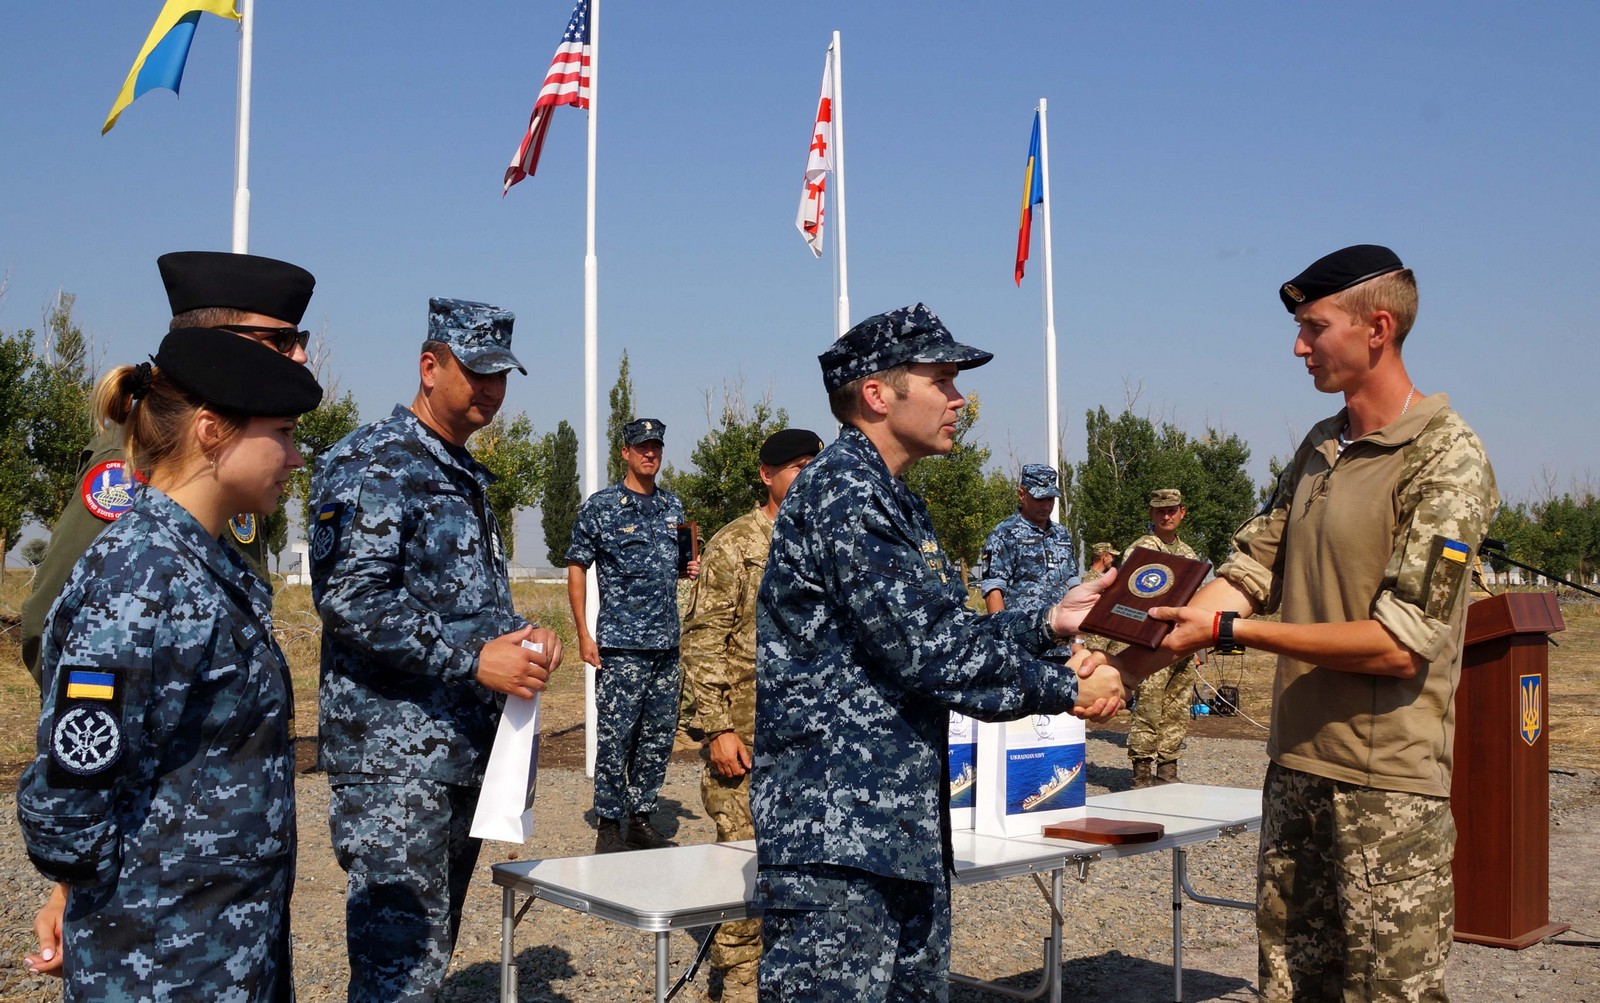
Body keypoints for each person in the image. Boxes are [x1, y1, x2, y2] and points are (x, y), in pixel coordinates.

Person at [1095, 245, 1498, 1001]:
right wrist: (1125, 667)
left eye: (1314, 327)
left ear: (1377, 328)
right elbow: (1244, 575)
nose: (1298, 346)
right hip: (1295, 773)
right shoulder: (1319, 446)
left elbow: (1398, 643)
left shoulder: (1446, 457)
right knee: (1289, 985)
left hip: (1386, 793)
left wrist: (1231, 635)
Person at [752, 303, 1126, 1001]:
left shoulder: (897, 501)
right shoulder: (844, 493)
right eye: (943, 381)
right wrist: (1065, 689)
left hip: (894, 831)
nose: (960, 400)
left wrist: (1048, 621)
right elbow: (931, 653)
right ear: (877, 394)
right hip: (838, 841)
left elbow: (949, 629)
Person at [20, 249, 317, 980]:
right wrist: (111, 911)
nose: (296, 455)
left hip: (222, 948)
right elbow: (70, 799)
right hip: (162, 961)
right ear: (213, 430)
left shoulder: (208, 564)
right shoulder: (139, 575)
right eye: (281, 432)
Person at [310, 298, 563, 1002]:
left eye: (501, 375)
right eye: (476, 371)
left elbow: (463, 604)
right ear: (429, 366)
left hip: (455, 756)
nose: (491, 389)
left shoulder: (460, 472)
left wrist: (523, 640)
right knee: (399, 974)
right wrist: (475, 660)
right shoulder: (373, 460)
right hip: (395, 762)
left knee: (426, 960)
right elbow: (351, 598)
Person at [20, 250, 316, 686]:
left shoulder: (235, 459)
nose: (300, 357)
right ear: (218, 340)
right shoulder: (134, 457)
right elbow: (54, 627)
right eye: (283, 340)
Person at [681, 427, 823, 1002]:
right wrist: (716, 727)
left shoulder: (826, 540)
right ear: (767, 475)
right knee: (744, 860)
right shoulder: (735, 544)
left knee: (806, 866)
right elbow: (704, 639)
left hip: (811, 738)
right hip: (746, 734)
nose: (806, 477)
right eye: (794, 468)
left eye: (814, 466)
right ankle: (740, 982)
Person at [567, 417, 700, 853]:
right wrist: (584, 633)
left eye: (656, 447)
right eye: (642, 447)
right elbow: (577, 567)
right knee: (616, 735)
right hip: (622, 644)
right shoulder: (601, 507)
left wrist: (689, 568)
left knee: (658, 735)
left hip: (666, 643)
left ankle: (641, 817)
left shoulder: (672, 508)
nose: (650, 454)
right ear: (624, 452)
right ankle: (609, 824)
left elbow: (678, 567)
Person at [1120, 488, 1202, 788]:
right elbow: (1129, 597)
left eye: (1172, 510)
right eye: (1160, 511)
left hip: (1183, 640)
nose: (1166, 516)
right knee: (1149, 707)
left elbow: (1195, 601)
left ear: (1183, 512)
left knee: (1178, 706)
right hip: (1151, 641)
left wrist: (1197, 647)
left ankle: (1168, 770)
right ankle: (1141, 774)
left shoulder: (1189, 554)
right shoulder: (1141, 550)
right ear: (1152, 513)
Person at [978, 463, 1078, 664]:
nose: (1046, 505)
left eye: (1050, 499)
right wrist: (1003, 641)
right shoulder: (1005, 534)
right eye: (1039, 498)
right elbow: (993, 589)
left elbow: (1073, 587)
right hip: (1022, 647)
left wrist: (1078, 639)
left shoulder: (1062, 535)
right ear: (1022, 494)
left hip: (1062, 646)